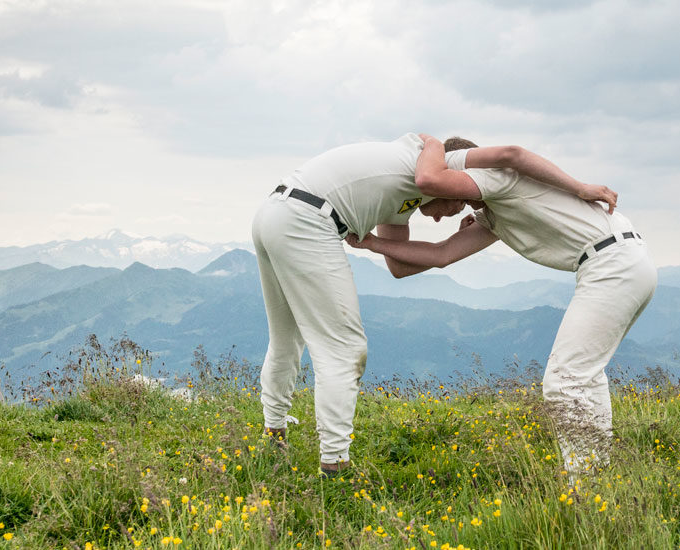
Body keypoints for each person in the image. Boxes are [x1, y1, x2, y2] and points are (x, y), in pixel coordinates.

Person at [252, 133, 616, 477]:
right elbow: (511, 155)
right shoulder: (441, 159)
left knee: (286, 337)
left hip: (275, 212)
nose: (449, 213)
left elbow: (398, 268)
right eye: (460, 201)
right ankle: (334, 467)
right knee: (344, 350)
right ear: (455, 176)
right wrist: (580, 187)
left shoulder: (399, 199)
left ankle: (274, 435)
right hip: (308, 220)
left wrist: (384, 245)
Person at [346, 137, 657, 475]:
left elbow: (512, 154)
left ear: (452, 178)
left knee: (565, 380)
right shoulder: (493, 212)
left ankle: (585, 483)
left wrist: (581, 188)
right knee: (582, 376)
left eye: (427, 205)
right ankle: (597, 473)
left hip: (611, 263)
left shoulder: (493, 177)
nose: (433, 217)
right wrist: (373, 244)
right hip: (624, 261)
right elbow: (440, 255)